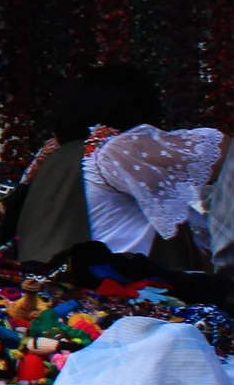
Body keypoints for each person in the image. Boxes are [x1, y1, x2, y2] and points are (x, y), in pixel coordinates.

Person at [13, 64, 224, 268]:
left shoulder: (54, 154)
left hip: (51, 293)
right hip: (113, 293)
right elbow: (221, 152)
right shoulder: (116, 150)